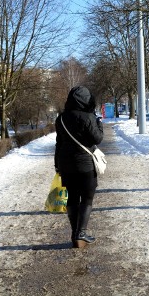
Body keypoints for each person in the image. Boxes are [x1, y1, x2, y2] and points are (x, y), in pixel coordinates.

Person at [55, 86, 104, 248]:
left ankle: (74, 233)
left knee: (72, 198)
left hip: (66, 164)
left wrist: (57, 165)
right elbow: (97, 139)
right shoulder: (88, 117)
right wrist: (99, 124)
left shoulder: (61, 118)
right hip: (84, 165)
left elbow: (59, 143)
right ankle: (80, 232)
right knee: (87, 198)